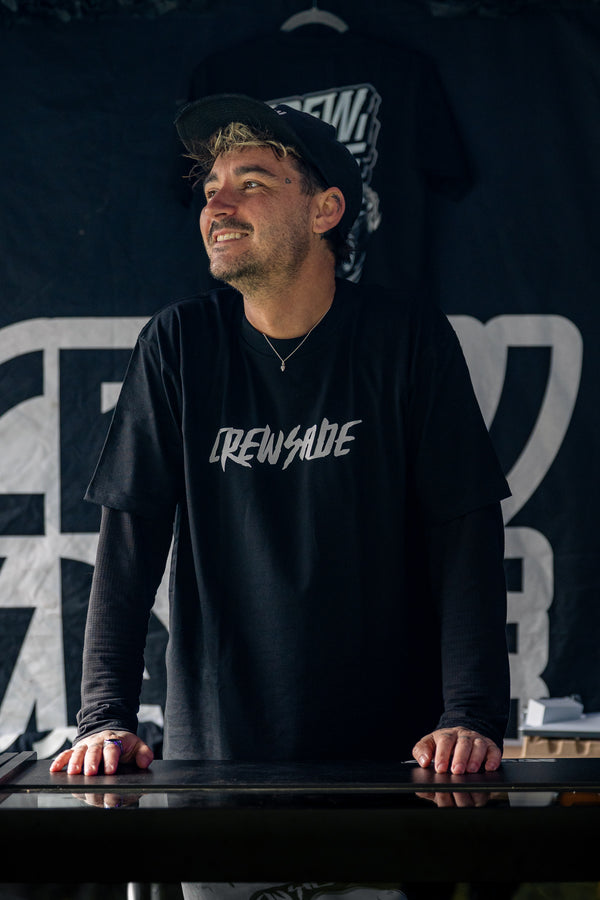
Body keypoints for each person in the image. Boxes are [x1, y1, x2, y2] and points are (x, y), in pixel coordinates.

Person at [51, 93, 510, 781]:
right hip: (217, 759)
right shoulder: (179, 345)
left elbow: (464, 532)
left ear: (325, 210)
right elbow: (129, 543)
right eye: (212, 187)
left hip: (394, 763)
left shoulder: (407, 341)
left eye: (252, 183)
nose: (218, 205)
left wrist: (470, 714)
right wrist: (104, 717)